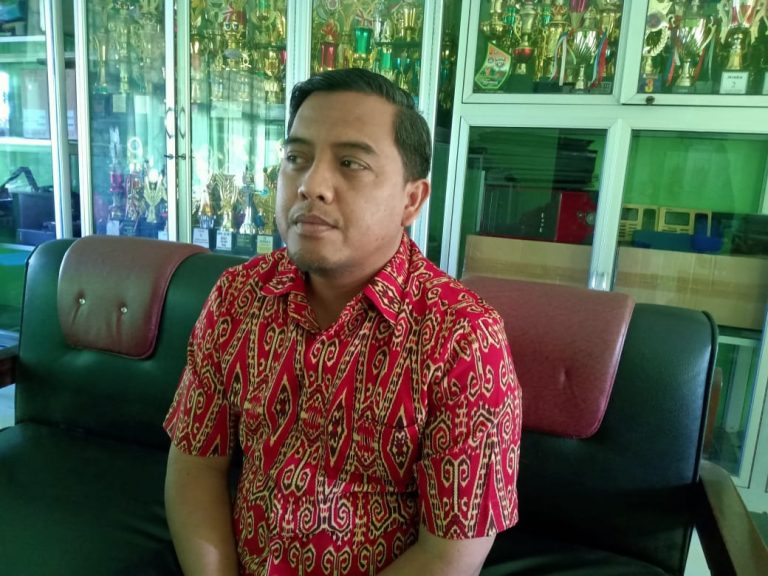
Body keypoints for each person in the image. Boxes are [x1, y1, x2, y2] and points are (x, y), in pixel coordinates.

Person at [163, 68, 522, 576]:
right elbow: (196, 464)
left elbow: (450, 554)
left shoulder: (463, 339)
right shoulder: (238, 297)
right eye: (296, 158)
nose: (311, 185)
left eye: (351, 163)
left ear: (411, 200)